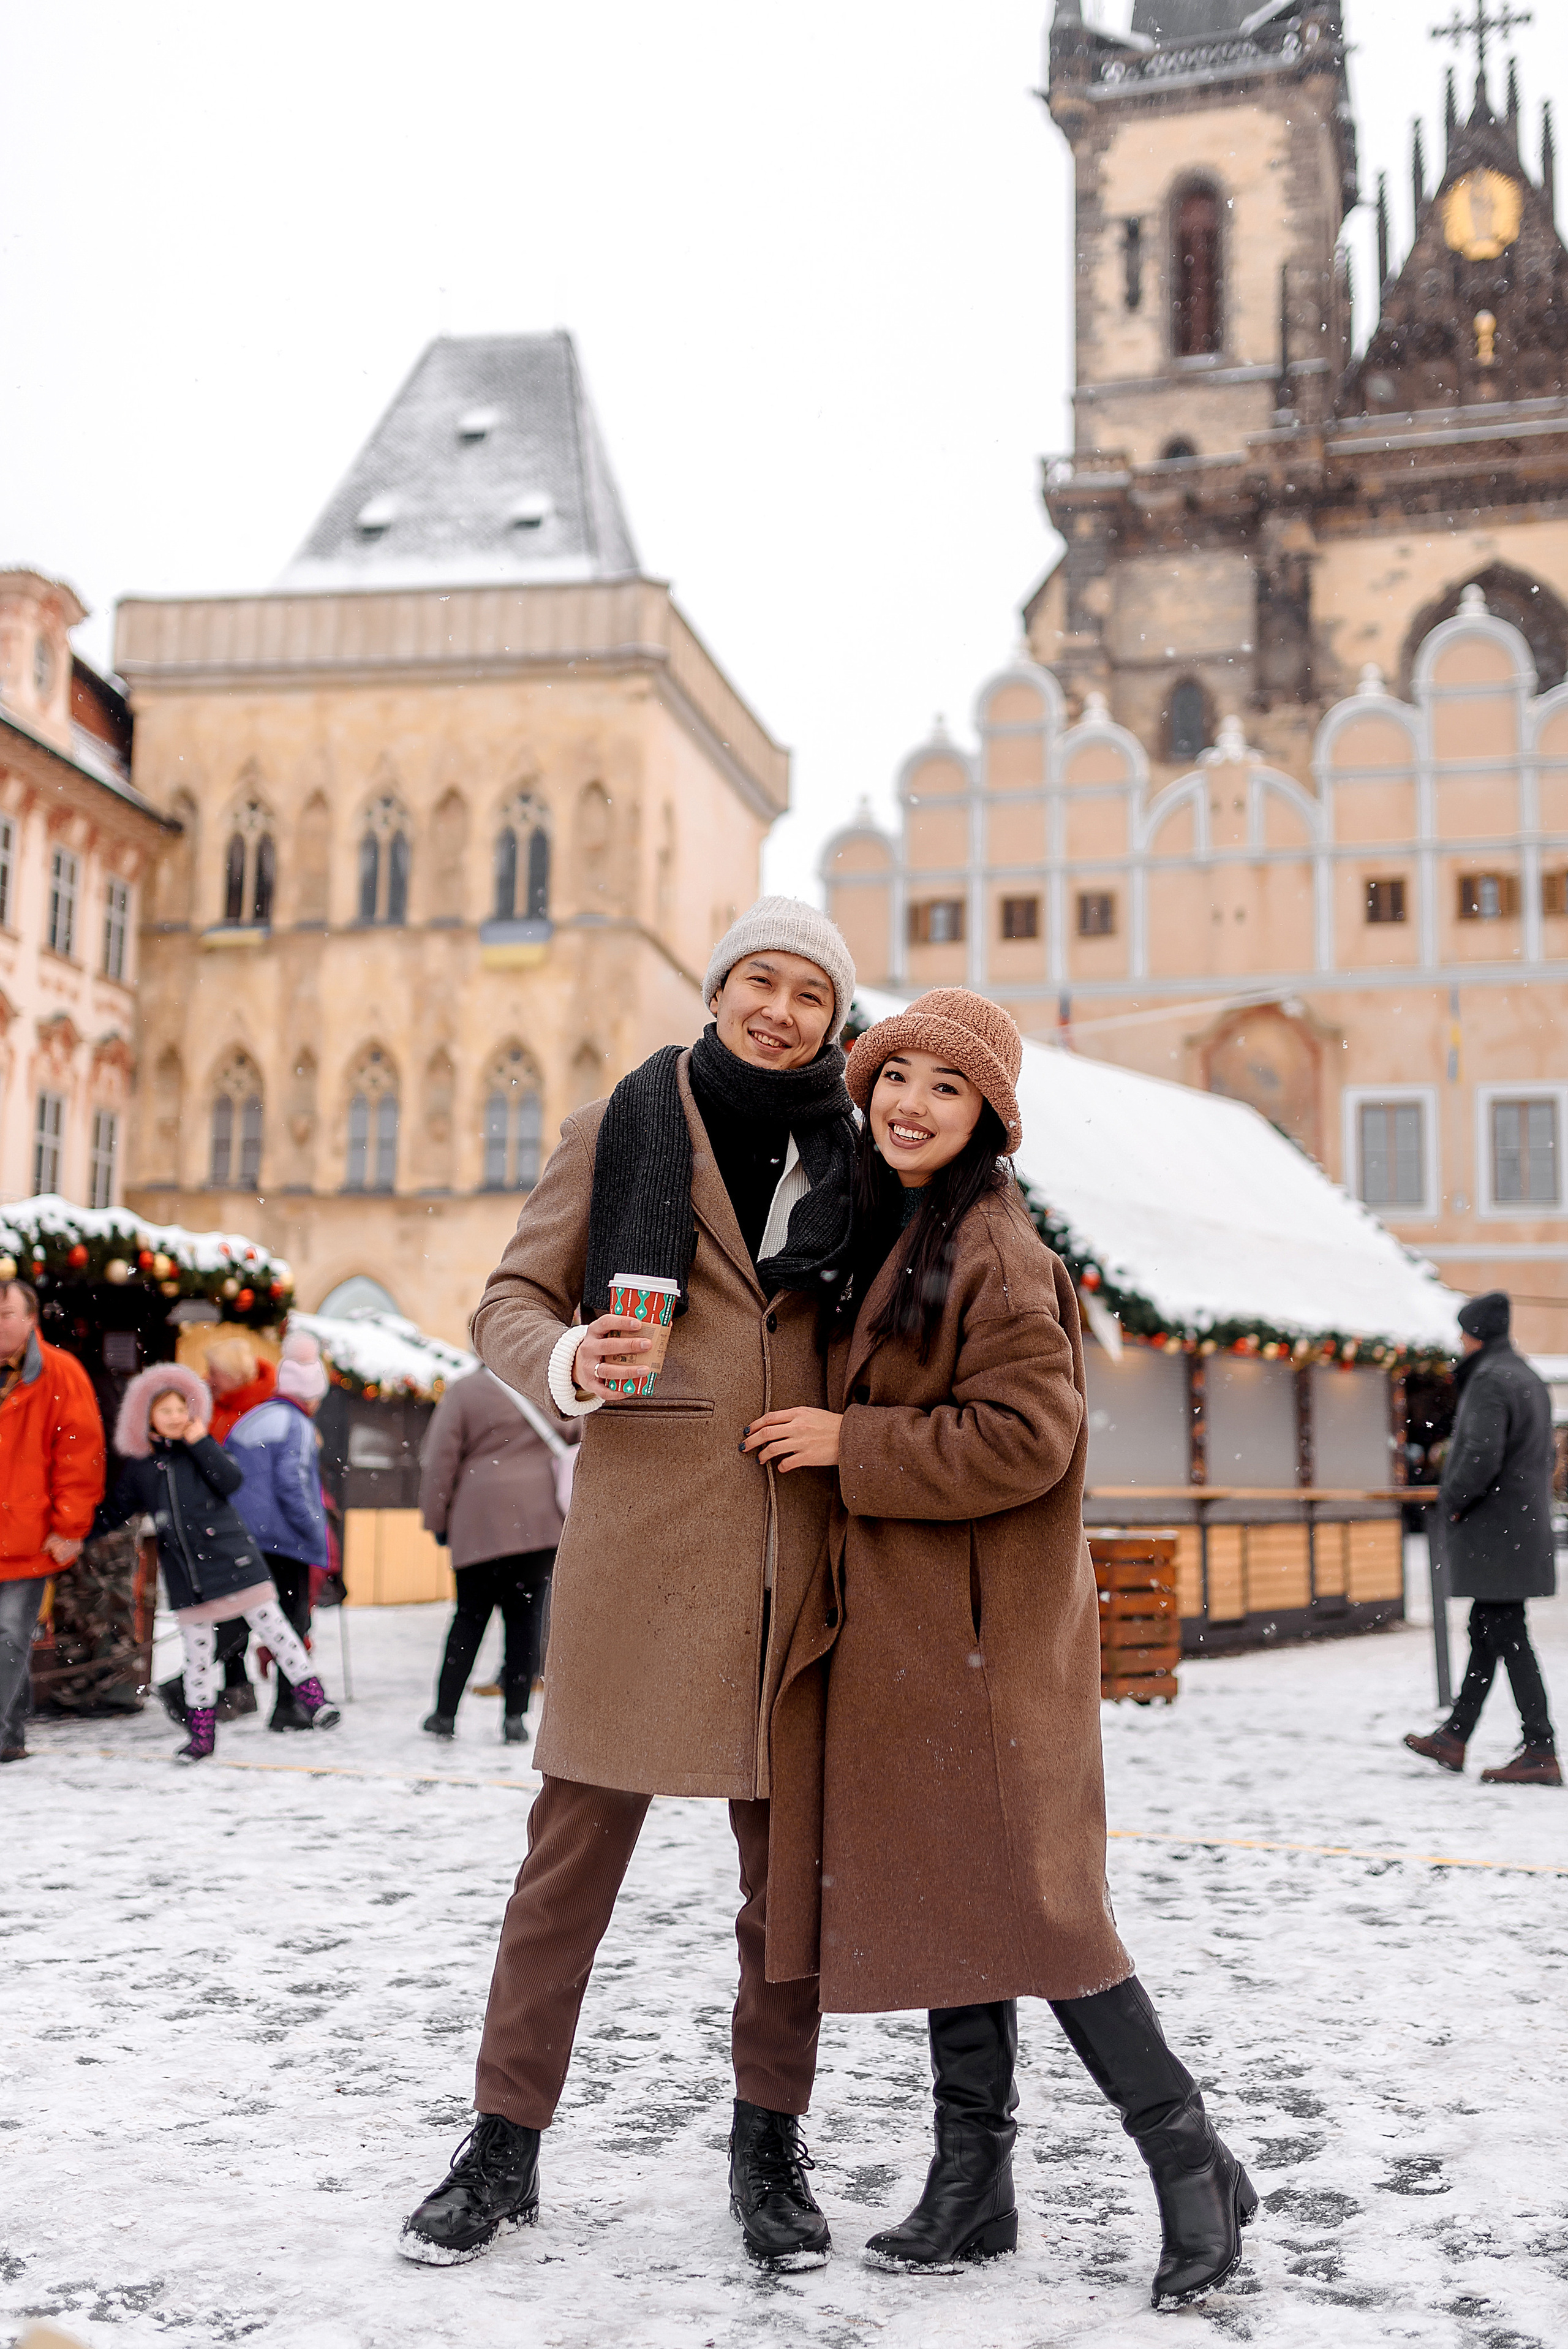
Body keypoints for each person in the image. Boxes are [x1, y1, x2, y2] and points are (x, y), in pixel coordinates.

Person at [747, 989, 1256, 2310]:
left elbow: (1028, 1440)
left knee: (1042, 1918)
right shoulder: (900, 1225)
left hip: (982, 1646)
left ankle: (1188, 2157)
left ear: (986, 1117)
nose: (908, 1102)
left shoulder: (995, 1246)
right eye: (893, 1076)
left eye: (944, 1087)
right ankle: (970, 2184)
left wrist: (848, 1443)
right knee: (948, 1908)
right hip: (921, 1640)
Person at [400, 897, 859, 2269]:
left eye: (808, 996)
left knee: (787, 1892)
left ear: (834, 1021)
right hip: (640, 1545)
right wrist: (564, 1359)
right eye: (757, 982)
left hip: (798, 1555)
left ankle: (767, 2146)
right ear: (717, 990)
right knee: (565, 1871)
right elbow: (506, 1298)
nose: (779, 1011)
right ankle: (501, 2141)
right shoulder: (624, 1123)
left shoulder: (859, 1140)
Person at [105, 1363, 339, 1763]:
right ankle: (201, 1737)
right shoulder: (143, 1470)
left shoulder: (203, 1451)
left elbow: (230, 1480)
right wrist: (74, 1531)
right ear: (148, 1421)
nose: (177, 1418)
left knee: (278, 1631)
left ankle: (315, 1700)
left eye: (181, 1409)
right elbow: (115, 1509)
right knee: (198, 1657)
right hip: (188, 1578)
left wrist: (200, 1443)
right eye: (166, 1412)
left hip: (237, 1562)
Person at [1405, 1290, 1560, 1787]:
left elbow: (1478, 1456)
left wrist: (1451, 1501)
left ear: (1477, 1334)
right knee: (1489, 1631)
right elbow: (1545, 1457)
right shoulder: (1528, 1376)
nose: (1461, 1341)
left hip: (1497, 1530)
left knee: (1508, 1636)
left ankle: (1540, 1747)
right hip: (1518, 1526)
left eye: (1464, 1331)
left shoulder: (1491, 1380)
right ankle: (1455, 1735)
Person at [417, 1363, 578, 1744]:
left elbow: (441, 1460)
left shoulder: (465, 1392)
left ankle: (444, 1714)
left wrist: (436, 1519)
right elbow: (577, 1430)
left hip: (480, 1523)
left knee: (469, 1619)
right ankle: (515, 1718)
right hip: (538, 1523)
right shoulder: (544, 1384)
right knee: (526, 1620)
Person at [0, 1278, 106, 1765]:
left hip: (28, 1535)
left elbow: (79, 1457)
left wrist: (69, 1526)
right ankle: (10, 1734)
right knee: (10, 1642)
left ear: (30, 1320)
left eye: (5, 1315)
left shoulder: (62, 1375)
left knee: (8, 1637)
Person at [154, 1336, 276, 1725]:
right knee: (227, 1610)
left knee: (244, 1611)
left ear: (235, 1375)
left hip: (250, 1522)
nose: (209, 1378)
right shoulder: (213, 1407)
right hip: (214, 1525)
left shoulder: (261, 1410)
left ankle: (214, 1689)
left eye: (216, 1372)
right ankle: (235, 1690)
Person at [224, 1331, 331, 1731]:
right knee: (292, 1624)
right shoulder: (299, 1425)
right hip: (286, 1542)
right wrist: (314, 1532)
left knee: (241, 1618)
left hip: (245, 1537)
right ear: (311, 1395)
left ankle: (184, 1687)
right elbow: (294, 1483)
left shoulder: (254, 1418)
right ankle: (290, 1707)